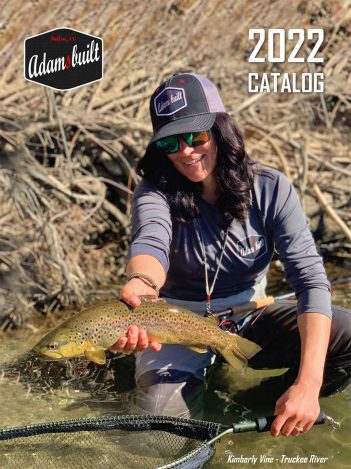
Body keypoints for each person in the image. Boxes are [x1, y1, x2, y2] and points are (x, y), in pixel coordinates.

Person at [112, 72, 351, 437]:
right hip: (172, 320)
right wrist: (142, 283)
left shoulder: (272, 189)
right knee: (164, 427)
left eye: (196, 136)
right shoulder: (153, 192)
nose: (186, 152)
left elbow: (311, 282)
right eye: (170, 143)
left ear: (221, 129)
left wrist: (308, 385)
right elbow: (151, 242)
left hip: (247, 315)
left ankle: (260, 407)